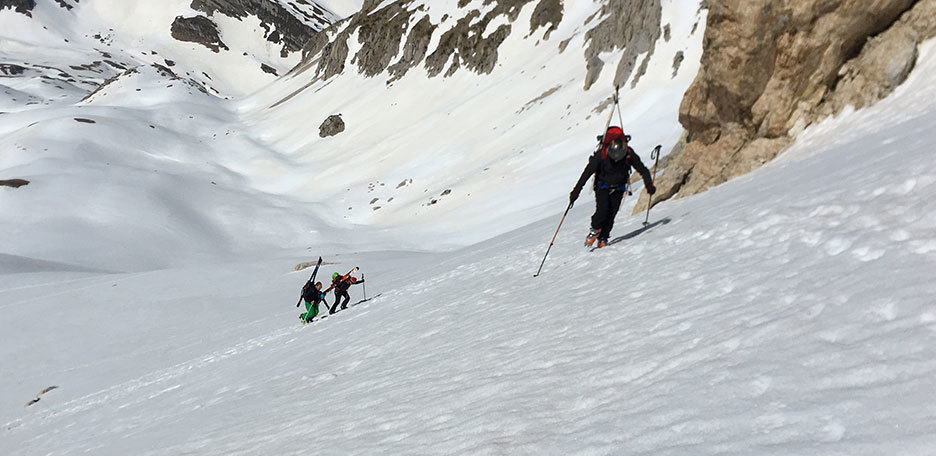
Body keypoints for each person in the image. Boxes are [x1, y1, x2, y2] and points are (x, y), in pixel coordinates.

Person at [569, 127, 656, 248]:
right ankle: (595, 229)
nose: (616, 159)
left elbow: (643, 170)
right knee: (602, 210)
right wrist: (576, 191)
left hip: (619, 187)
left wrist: (649, 185)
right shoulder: (601, 155)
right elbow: (587, 173)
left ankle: (603, 237)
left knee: (612, 213)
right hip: (602, 186)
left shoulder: (629, 155)